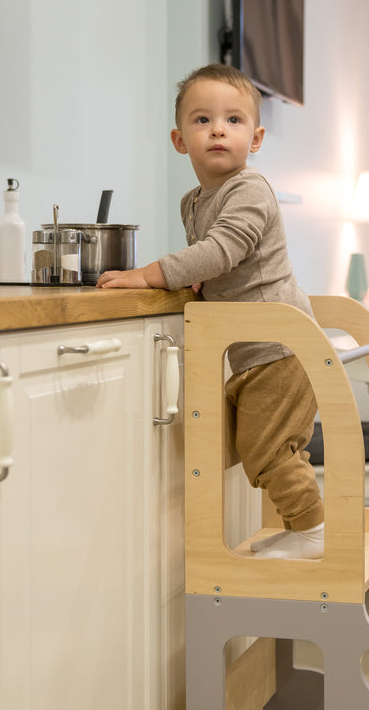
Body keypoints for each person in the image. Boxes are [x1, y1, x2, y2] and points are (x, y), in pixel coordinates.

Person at [97, 63, 324, 559]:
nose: (218, 129)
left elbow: (222, 250)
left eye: (233, 120)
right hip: (252, 350)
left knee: (269, 449)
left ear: (256, 138)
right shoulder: (194, 201)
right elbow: (217, 264)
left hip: (281, 347)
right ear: (180, 140)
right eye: (202, 120)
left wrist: (147, 274)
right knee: (258, 446)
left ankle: (313, 531)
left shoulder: (250, 189)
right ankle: (302, 527)